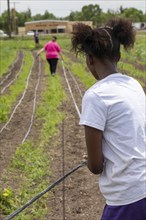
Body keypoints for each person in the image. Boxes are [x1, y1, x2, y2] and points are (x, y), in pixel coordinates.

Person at [71, 18, 146, 220]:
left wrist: (91, 161)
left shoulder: (96, 96)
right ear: (119, 56)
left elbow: (95, 166)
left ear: (90, 60)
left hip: (127, 196)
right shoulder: (134, 84)